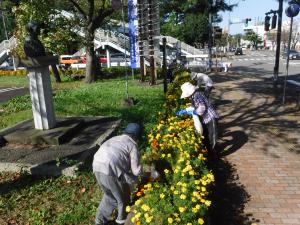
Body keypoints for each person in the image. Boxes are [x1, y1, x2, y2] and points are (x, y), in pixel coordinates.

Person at [92, 123, 143, 225]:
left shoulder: (115, 138)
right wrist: (143, 169)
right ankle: (121, 221)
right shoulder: (132, 145)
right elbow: (136, 171)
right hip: (110, 168)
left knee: (110, 196)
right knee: (122, 198)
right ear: (136, 136)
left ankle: (99, 221)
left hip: (96, 165)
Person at [180, 82, 219, 156]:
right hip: (206, 119)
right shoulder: (194, 95)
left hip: (211, 118)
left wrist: (194, 112)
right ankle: (208, 152)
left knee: (212, 137)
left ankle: (213, 156)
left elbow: (202, 107)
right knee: (206, 135)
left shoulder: (197, 95)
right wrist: (185, 111)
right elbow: (194, 106)